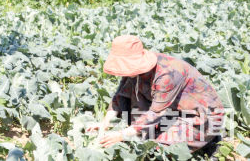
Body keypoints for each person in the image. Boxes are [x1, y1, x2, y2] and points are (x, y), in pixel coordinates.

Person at [87, 35, 224, 154]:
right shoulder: (134, 70)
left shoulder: (167, 74)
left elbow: (155, 114)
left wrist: (122, 134)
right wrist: (105, 123)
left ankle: (209, 141)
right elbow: (120, 95)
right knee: (140, 133)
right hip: (172, 111)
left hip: (202, 117)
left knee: (156, 148)